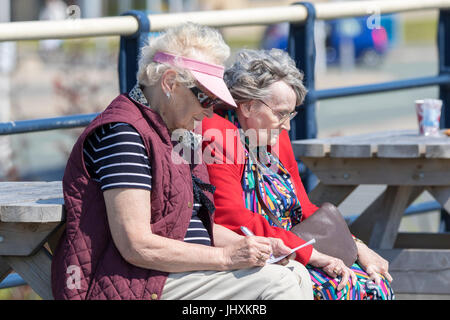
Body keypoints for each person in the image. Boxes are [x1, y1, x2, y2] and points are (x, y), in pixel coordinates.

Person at [51, 23, 313, 300]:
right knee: (278, 283)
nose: (211, 111)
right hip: (135, 281)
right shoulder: (123, 135)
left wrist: (257, 245)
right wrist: (226, 256)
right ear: (170, 83)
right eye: (206, 98)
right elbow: (135, 245)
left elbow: (194, 228)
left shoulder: (174, 131)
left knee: (295, 271)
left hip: (170, 274)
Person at [201, 48, 395, 300]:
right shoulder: (217, 134)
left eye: (291, 114)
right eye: (281, 113)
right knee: (341, 291)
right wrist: (309, 254)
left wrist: (358, 247)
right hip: (260, 253)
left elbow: (304, 207)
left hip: (295, 245)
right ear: (248, 106)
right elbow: (232, 218)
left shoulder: (274, 135)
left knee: (375, 284)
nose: (288, 125)